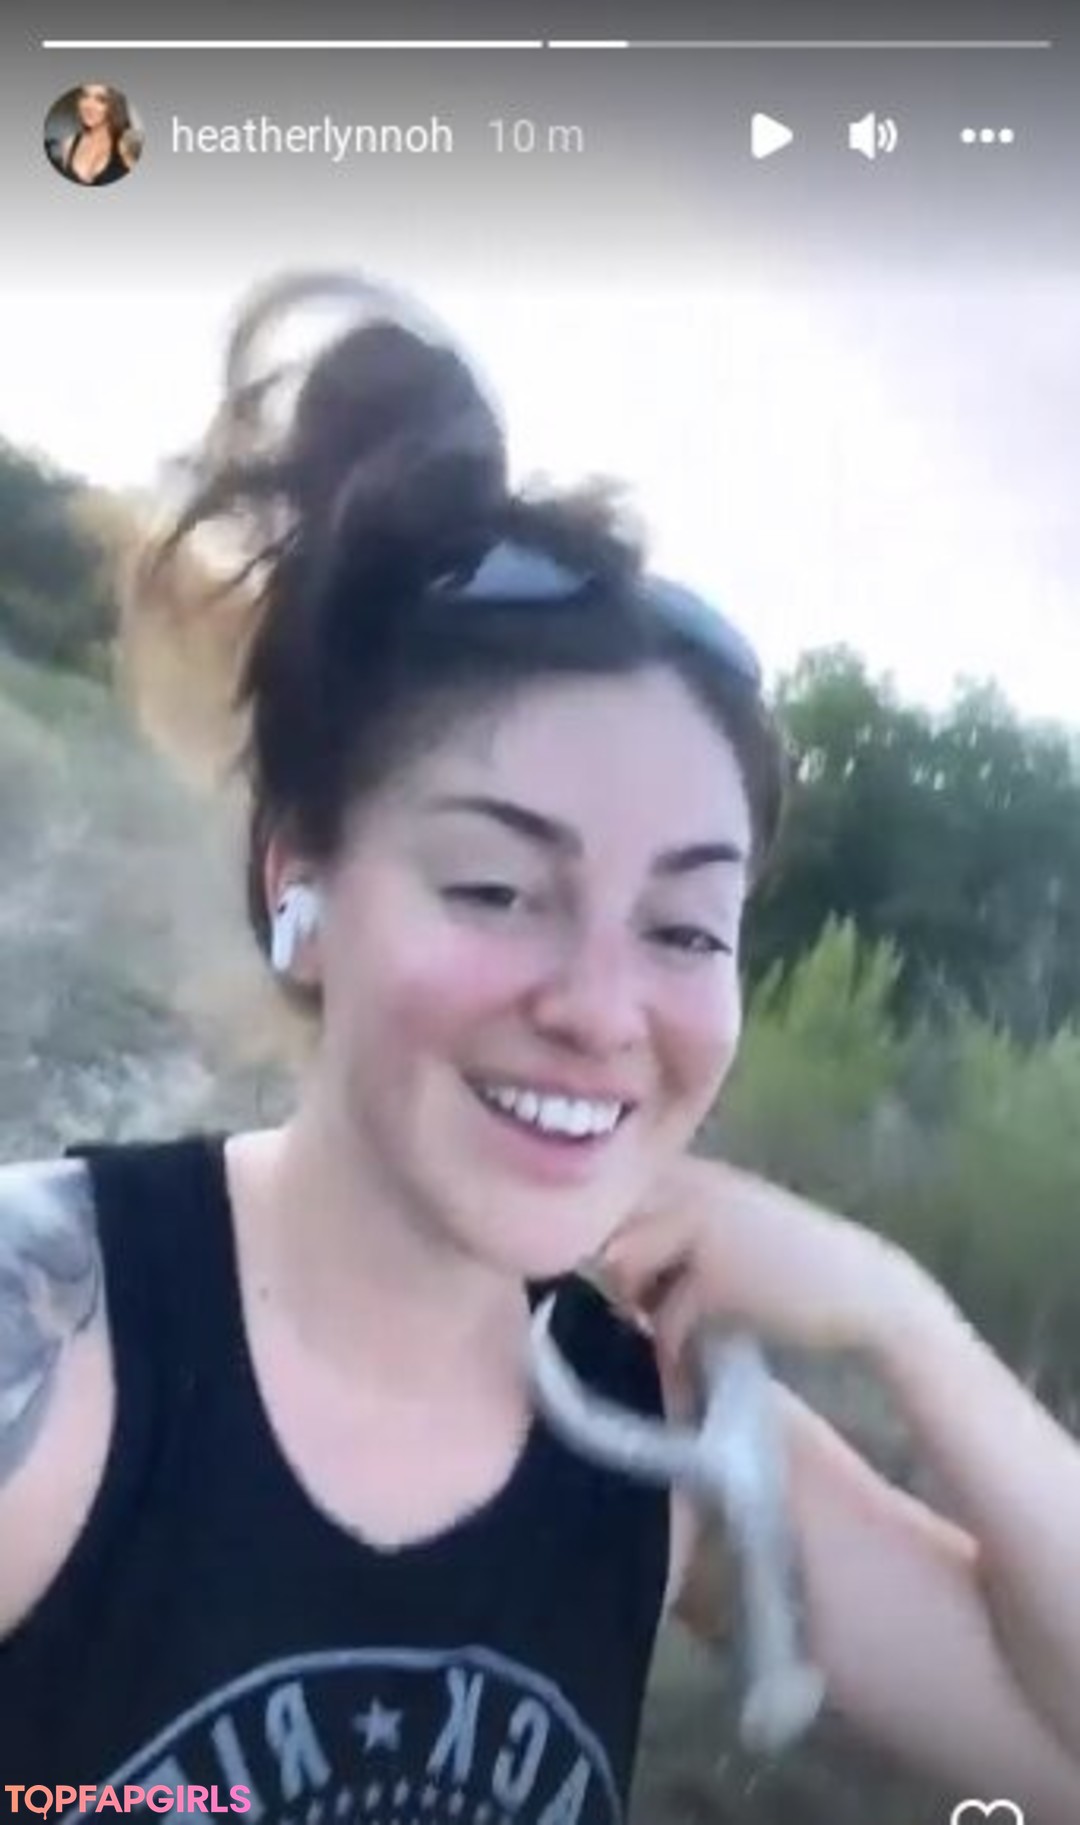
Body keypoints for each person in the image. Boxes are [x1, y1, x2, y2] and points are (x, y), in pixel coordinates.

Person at [1, 270, 1079, 1821]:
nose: (601, 1005)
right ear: (300, 881)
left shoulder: (660, 1437)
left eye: (685, 927)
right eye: (498, 888)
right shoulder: (58, 1339)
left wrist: (909, 1323)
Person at [51, 83, 139, 187]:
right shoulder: (69, 143)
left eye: (101, 100)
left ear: (114, 106)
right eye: (85, 96)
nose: (88, 106)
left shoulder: (126, 144)